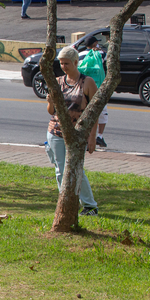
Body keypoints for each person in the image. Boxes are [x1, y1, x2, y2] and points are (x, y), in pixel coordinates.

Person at [45, 46, 99, 216]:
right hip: (56, 131)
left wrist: (92, 138)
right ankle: (66, 203)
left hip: (77, 134)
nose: (64, 67)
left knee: (76, 169)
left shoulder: (87, 82)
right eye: (61, 63)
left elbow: (94, 112)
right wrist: (51, 101)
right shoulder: (58, 81)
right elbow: (51, 111)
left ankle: (90, 205)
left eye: (67, 63)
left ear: (76, 62)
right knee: (60, 169)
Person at [83, 35, 109, 147]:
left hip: (84, 87)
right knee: (102, 112)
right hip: (98, 87)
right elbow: (108, 64)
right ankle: (99, 136)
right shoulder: (101, 54)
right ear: (95, 44)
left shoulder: (79, 55)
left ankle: (86, 136)